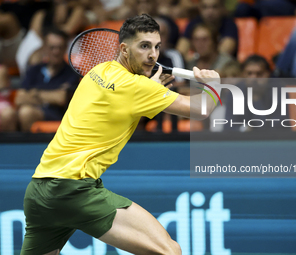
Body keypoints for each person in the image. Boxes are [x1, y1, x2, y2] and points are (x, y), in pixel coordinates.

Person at [20, 14, 220, 254]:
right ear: (124, 49)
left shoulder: (99, 70)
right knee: (169, 251)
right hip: (73, 190)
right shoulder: (137, 88)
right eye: (144, 46)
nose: (153, 55)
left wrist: (150, 88)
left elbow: (121, 99)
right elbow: (202, 109)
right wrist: (213, 85)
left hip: (39, 192)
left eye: (157, 47)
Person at [13, 28, 79, 132]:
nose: (56, 52)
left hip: (56, 115)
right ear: (44, 48)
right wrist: (50, 96)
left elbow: (61, 99)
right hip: (33, 110)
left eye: (60, 47)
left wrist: (35, 93)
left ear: (65, 48)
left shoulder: (72, 73)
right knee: (8, 115)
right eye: (52, 48)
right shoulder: (34, 70)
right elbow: (19, 98)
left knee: (26, 112)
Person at [223, 54, 286, 132]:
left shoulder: (279, 92)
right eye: (249, 73)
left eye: (259, 74)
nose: (254, 78)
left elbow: (278, 127)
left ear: (268, 74)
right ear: (243, 75)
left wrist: (257, 98)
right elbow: (228, 128)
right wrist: (245, 129)